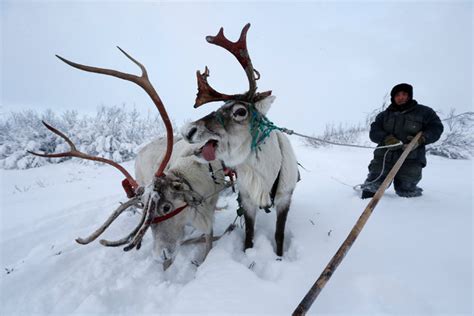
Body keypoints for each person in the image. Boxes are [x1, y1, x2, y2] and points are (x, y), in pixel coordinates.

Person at [361, 83, 444, 199]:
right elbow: (374, 132)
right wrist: (386, 138)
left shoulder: (425, 112)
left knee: (406, 193)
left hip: (411, 159)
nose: (401, 97)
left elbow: (436, 128)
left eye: (404, 94)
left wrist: (421, 139)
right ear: (393, 98)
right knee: (370, 191)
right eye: (397, 95)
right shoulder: (383, 115)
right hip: (384, 158)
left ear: (410, 96)